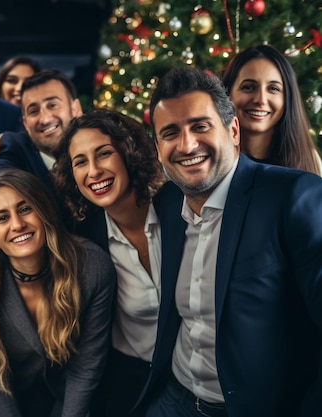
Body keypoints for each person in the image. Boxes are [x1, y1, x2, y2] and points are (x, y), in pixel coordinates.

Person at [139, 66, 322, 417]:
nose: (187, 144)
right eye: (170, 133)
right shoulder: (165, 202)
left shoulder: (293, 196)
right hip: (174, 399)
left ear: (233, 130)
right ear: (158, 146)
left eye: (200, 126)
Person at [0, 168, 115, 417]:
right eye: (2, 218)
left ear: (44, 212)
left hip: (74, 401)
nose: (18, 224)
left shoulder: (92, 266)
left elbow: (86, 366)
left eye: (25, 209)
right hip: (10, 404)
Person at [52, 109, 164, 417]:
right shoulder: (83, 241)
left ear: (129, 154)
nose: (94, 171)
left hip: (197, 380)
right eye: (80, 162)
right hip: (127, 386)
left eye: (104, 154)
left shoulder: (177, 211)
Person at [221, 44, 321, 175]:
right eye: (249, 87)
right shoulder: (211, 159)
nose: (261, 99)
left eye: (273, 88)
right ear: (228, 93)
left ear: (287, 98)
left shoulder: (310, 160)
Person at [0, 70, 82, 191]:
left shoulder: (96, 143)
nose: (45, 119)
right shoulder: (14, 147)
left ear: (75, 109)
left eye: (52, 105)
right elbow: (0, 186)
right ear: (25, 124)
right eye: (34, 111)